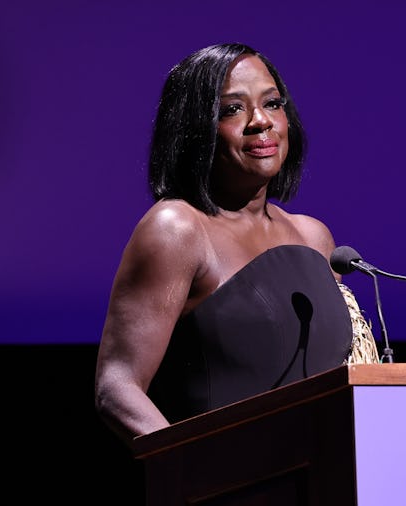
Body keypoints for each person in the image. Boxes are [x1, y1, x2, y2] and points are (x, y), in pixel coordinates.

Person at [95, 43, 379, 448]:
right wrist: (197, 469)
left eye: (272, 103)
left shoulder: (313, 238)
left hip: (325, 482)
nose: (261, 122)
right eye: (232, 109)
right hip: (230, 496)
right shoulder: (176, 229)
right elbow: (118, 387)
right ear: (194, 128)